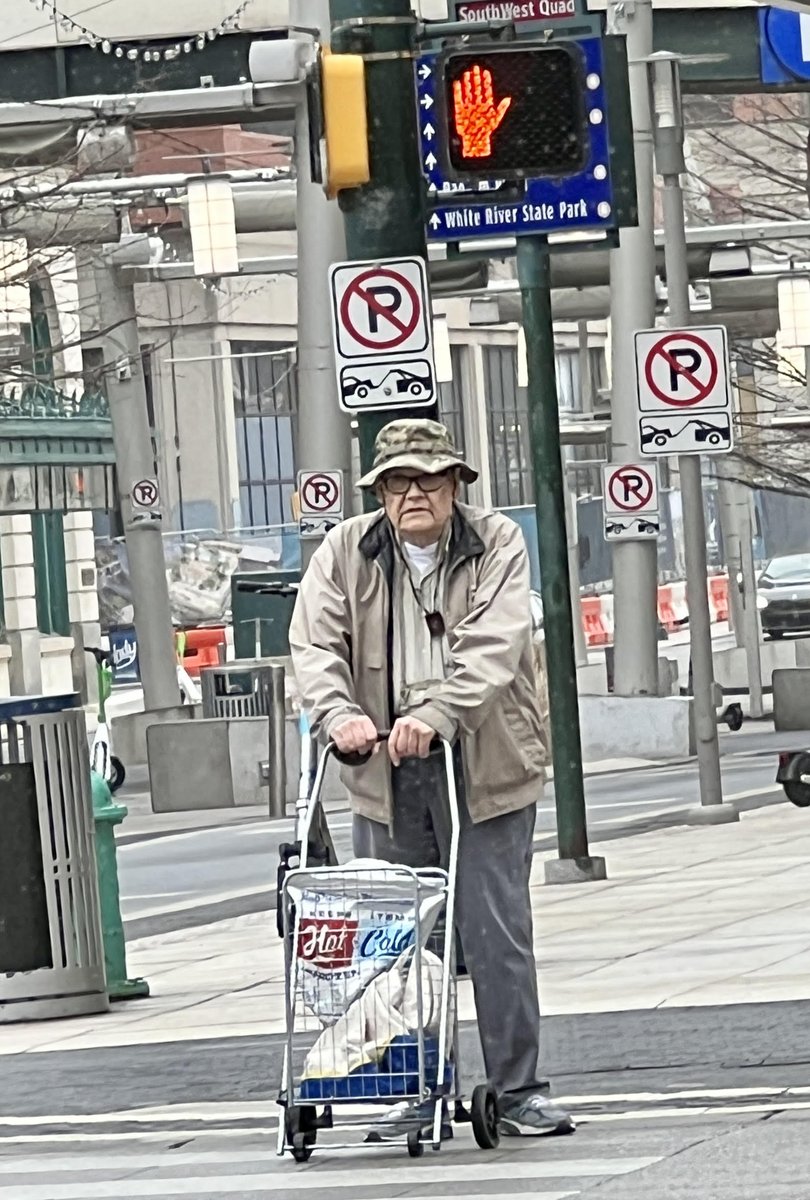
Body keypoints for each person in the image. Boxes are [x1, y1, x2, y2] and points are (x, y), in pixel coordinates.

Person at [288, 418, 573, 1139]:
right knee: (399, 935)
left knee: (493, 929)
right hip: (384, 768)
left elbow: (495, 644)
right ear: (378, 492)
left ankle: (517, 1089)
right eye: (397, 482)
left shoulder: (496, 541)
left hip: (480, 761)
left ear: (455, 484)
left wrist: (438, 712)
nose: (413, 494)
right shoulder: (343, 550)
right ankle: (415, 1084)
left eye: (429, 479)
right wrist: (338, 715)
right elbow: (315, 645)